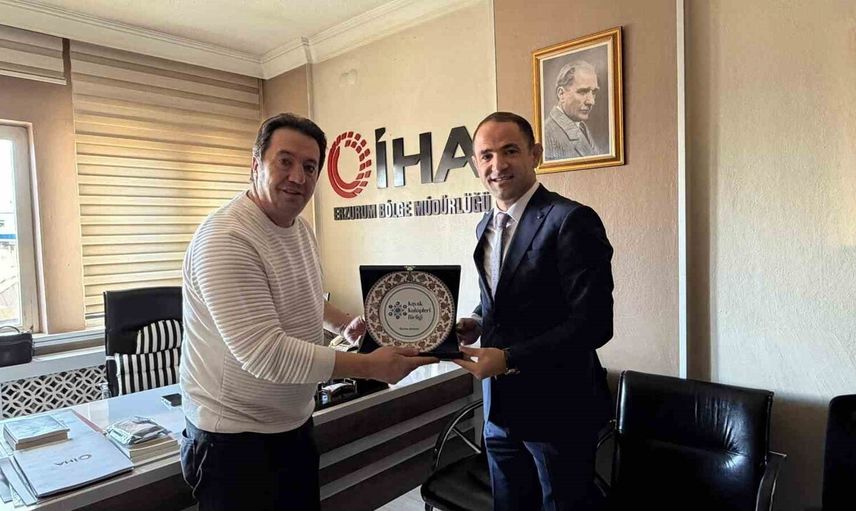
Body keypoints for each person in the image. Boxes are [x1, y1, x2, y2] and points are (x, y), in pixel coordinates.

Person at [179, 113, 437, 511]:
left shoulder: (298, 229)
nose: (298, 177)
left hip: (292, 426)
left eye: (310, 166)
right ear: (255, 164)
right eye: (285, 161)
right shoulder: (227, 239)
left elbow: (301, 297)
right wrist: (371, 366)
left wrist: (343, 323)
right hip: (233, 443)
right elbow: (266, 354)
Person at [455, 112, 614, 510]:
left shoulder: (571, 220)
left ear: (535, 154)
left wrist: (508, 358)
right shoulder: (485, 226)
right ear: (476, 163)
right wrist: (476, 320)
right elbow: (500, 298)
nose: (498, 164)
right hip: (499, 409)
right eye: (486, 155)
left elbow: (594, 324)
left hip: (559, 409)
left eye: (510, 151)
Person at [544, 60, 602, 160]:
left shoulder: (581, 126)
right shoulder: (547, 134)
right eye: (583, 92)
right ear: (561, 94)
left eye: (593, 92)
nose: (591, 101)